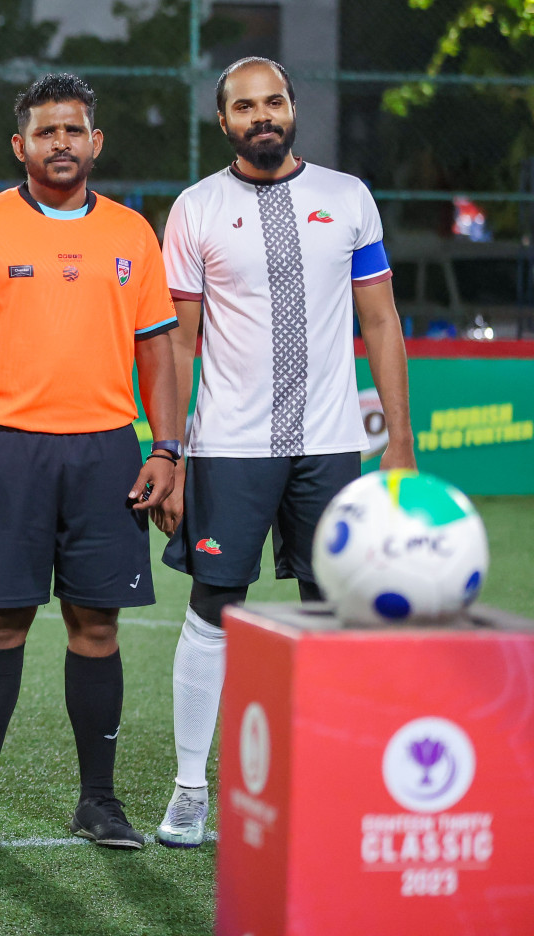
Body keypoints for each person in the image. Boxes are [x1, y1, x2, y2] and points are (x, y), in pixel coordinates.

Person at [152, 57, 415, 849]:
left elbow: (382, 325)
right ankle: (190, 788)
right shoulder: (196, 208)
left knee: (329, 612)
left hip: (332, 444)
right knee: (213, 607)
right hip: (229, 448)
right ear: (224, 121)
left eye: (272, 102)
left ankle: (328, 780)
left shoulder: (348, 198)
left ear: (294, 109)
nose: (260, 115)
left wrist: (399, 444)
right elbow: (177, 345)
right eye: (243, 106)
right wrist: (169, 452)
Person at [0, 73, 181, 852]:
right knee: (2, 623)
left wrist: (166, 446)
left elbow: (157, 351)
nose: (61, 143)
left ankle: (98, 802)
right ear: (21, 145)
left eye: (74, 131)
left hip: (107, 448)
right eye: (46, 132)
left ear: (95, 142)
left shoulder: (133, 233)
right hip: (4, 448)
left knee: (96, 626)